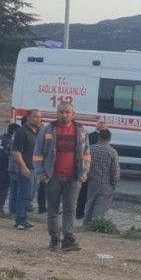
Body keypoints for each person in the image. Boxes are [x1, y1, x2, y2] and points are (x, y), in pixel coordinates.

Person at [33, 100, 91, 251]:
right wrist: (41, 173)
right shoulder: (47, 131)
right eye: (61, 112)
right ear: (56, 113)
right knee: (52, 210)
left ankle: (68, 240)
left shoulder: (82, 132)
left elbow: (86, 154)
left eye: (67, 112)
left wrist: (84, 172)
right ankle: (54, 239)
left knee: (70, 209)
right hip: (52, 177)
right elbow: (38, 154)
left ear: (73, 114)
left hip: (73, 178)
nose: (64, 115)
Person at [9, 110, 42, 230]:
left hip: (35, 168)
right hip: (26, 168)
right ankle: (20, 220)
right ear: (28, 117)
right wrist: (23, 167)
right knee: (24, 194)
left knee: (30, 195)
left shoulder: (36, 132)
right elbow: (16, 151)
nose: (38, 119)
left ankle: (23, 218)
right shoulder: (22, 132)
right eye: (35, 117)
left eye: (39, 117)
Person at [85, 128, 120, 223]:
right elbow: (115, 171)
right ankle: (95, 226)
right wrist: (113, 184)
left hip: (92, 182)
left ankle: (86, 225)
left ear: (99, 137)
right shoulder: (112, 152)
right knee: (100, 209)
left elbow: (85, 164)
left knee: (89, 205)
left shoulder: (91, 149)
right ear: (109, 139)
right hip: (106, 184)